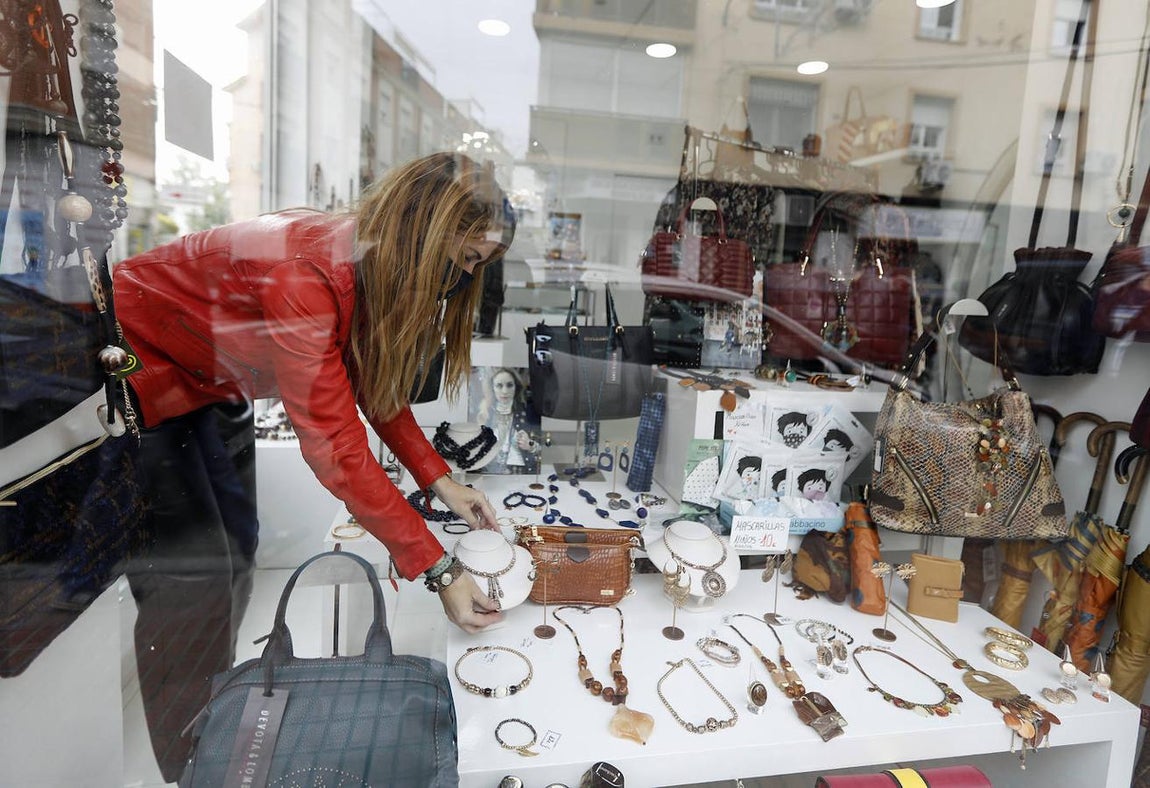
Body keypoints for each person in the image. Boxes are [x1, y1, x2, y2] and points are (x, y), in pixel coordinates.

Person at [112, 152, 514, 778]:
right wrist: (437, 567)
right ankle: (197, 764)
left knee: (237, 556)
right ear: (425, 230)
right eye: (465, 261)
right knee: (196, 581)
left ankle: (212, 729)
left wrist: (440, 477)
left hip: (210, 385)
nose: (459, 282)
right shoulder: (308, 272)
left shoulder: (359, 260)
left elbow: (374, 390)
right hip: (143, 381)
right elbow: (333, 440)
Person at [474, 367, 540, 474]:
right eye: (499, 386)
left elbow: (542, 450)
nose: (504, 391)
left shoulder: (528, 414)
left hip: (520, 474)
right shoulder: (485, 416)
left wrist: (530, 446)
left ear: (516, 387)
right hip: (489, 474)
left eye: (509, 385)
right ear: (492, 388)